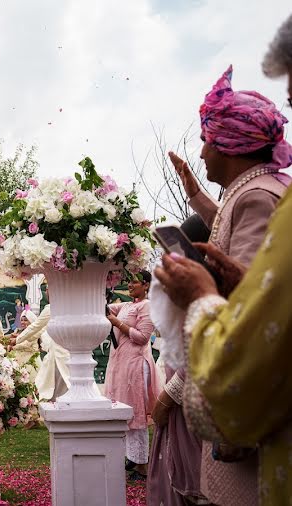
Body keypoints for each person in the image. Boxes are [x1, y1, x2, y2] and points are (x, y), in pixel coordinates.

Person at [155, 21, 292, 506]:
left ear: (229, 146)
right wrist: (194, 191)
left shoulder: (257, 196)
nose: (202, 149)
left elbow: (258, 307)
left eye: (208, 140)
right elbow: (243, 255)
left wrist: (201, 292)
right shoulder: (252, 190)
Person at [148, 214, 211, 506]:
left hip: (194, 404)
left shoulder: (209, 289)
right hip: (180, 405)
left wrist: (166, 398)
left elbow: (200, 356)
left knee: (199, 485)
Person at [105, 270, 159, 480]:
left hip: (136, 366)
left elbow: (143, 337)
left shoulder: (147, 306)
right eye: (129, 281)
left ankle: (141, 464)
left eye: (134, 282)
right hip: (121, 364)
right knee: (123, 412)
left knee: (135, 414)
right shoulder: (127, 305)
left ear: (146, 285)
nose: (130, 285)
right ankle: (131, 458)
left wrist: (117, 323)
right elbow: (107, 310)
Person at [24, 285, 71, 402]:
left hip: (62, 356)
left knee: (61, 389)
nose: (46, 292)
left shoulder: (51, 308)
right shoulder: (67, 307)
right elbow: (39, 331)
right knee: (52, 389)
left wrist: (17, 339)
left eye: (48, 289)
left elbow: (34, 327)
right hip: (56, 356)